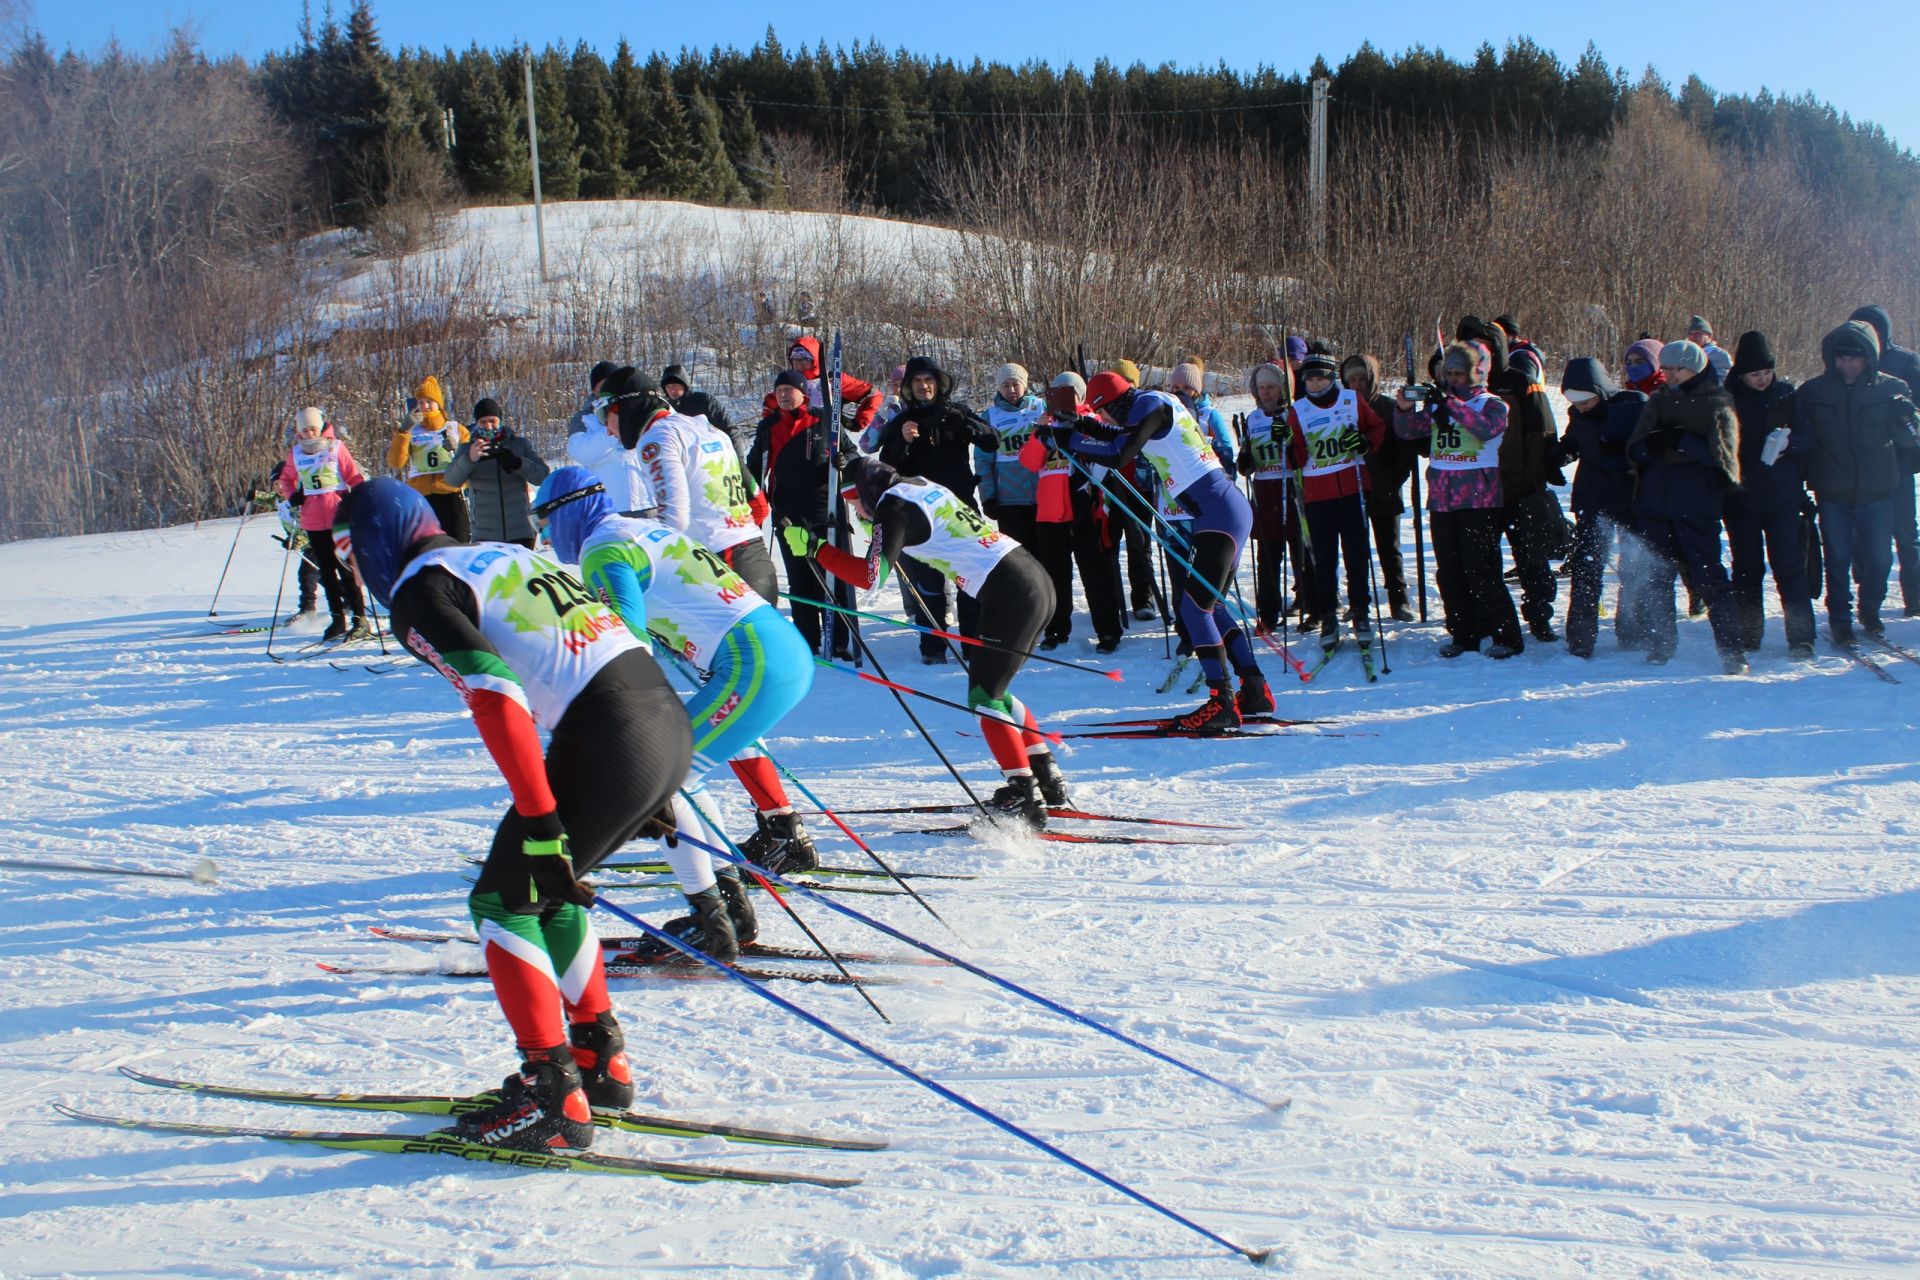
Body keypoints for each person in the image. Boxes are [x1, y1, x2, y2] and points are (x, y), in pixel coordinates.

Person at [340, 477, 691, 1153]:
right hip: (657, 720)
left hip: (612, 733)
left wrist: (539, 821)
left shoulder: (422, 587)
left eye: (354, 553)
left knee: (502, 900)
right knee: (546, 894)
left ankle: (552, 1095)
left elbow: (495, 689)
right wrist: (654, 780)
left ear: (375, 544)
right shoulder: (499, 554)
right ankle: (598, 1058)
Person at [535, 466, 821, 879]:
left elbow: (626, 642)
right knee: (731, 740)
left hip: (752, 660)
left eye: (544, 523)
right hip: (772, 646)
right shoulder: (638, 529)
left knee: (667, 776)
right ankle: (782, 832)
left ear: (568, 513)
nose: (545, 537)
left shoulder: (603, 550)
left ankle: (723, 899)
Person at [785, 455, 1072, 825]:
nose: (855, 512)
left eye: (854, 501)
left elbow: (870, 578)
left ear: (867, 491)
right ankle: (1042, 771)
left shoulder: (894, 507)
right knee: (994, 691)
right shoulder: (916, 483)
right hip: (1028, 577)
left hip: (1011, 592)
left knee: (984, 698)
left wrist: (817, 549)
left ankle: (1022, 792)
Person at [1067, 371, 1272, 730]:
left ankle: (1221, 701)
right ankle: (1254, 688)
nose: (1107, 420)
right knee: (1212, 608)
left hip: (1218, 513)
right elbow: (1119, 436)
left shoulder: (1149, 405)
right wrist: (1080, 426)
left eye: (1105, 413)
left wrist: (1071, 439)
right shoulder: (1150, 405)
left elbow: (1119, 452)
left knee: (1193, 610)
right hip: (1222, 511)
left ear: (1114, 404)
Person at [1774, 319, 1920, 643]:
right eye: (1840, 358)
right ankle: (1840, 618)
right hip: (1833, 489)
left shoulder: (1892, 389)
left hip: (1879, 489)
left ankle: (1870, 611)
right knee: (1837, 559)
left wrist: (1907, 416)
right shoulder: (1813, 392)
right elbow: (1799, 435)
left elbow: (1913, 439)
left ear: (1869, 357)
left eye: (1854, 358)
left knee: (1880, 559)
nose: (1847, 365)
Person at [1394, 343, 1524, 658]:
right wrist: (1403, 408)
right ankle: (1464, 632)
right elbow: (1409, 431)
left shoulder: (1492, 405)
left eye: (1460, 374)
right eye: (1449, 374)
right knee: (1449, 570)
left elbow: (1483, 430)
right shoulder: (1441, 406)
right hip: (1442, 498)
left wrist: (1448, 404)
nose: (1454, 380)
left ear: (1477, 373)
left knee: (1482, 569)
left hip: (1479, 499)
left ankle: (1505, 634)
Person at [1625, 341, 1745, 672]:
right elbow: (1634, 452)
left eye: (1678, 369)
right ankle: (1660, 645)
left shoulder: (1717, 403)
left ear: (1695, 368)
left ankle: (1732, 651)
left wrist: (1683, 442)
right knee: (1656, 580)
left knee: (1711, 579)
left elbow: (1725, 462)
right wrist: (1650, 445)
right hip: (1653, 505)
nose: (1671, 374)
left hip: (1695, 508)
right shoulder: (1658, 400)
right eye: (1667, 369)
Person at [874, 355, 998, 661]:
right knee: (928, 586)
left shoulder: (956, 413)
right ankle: (932, 647)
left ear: (938, 383)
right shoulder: (900, 422)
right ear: (908, 387)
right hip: (921, 516)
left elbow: (992, 441)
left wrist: (968, 424)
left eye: (928, 380)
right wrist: (902, 442)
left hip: (960, 510)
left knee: (970, 579)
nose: (923, 386)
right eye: (917, 381)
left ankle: (973, 645)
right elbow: (885, 467)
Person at [1718, 332, 1816, 659]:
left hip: (1783, 496)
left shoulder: (1787, 395)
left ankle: (1801, 637)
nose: (1762, 379)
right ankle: (1749, 632)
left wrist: (1791, 444)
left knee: (1789, 567)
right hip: (1741, 499)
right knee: (1746, 567)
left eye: (1766, 372)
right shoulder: (1726, 399)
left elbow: (1809, 438)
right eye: (1754, 374)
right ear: (1741, 374)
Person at [635, 382, 778, 606]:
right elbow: (759, 504)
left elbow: (674, 519)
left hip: (726, 567)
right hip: (755, 560)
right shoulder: (721, 444)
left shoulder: (670, 442)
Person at [748, 369, 856, 658]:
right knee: (800, 581)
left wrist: (845, 460)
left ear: (803, 393)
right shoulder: (768, 427)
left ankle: (841, 640)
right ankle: (807, 641)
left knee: (835, 577)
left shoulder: (824, 420)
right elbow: (753, 468)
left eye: (789, 390)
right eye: (779, 390)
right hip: (788, 516)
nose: (784, 395)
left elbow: (853, 455)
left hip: (827, 513)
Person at [1287, 343, 1388, 649]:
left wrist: (1364, 442)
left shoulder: (1351, 400)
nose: (1315, 384)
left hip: (1352, 487)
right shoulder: (1299, 410)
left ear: (1332, 377)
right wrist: (1287, 443)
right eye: (1309, 379)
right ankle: (1328, 612)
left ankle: (1360, 609)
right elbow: (1297, 458)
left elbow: (1377, 428)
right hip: (1319, 493)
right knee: (1325, 557)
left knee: (1357, 553)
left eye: (1320, 378)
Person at [1020, 371, 1124, 651]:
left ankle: (1108, 630)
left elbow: (1106, 455)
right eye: (1056, 393)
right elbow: (1029, 463)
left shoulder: (1090, 420)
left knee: (1095, 571)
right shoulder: (1046, 423)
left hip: (1084, 507)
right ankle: (1056, 629)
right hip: (1050, 510)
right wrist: (1039, 435)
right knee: (1055, 574)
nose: (1063, 399)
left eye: (1069, 393)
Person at [1557, 358, 1649, 657]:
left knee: (1634, 568)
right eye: (1573, 400)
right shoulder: (1578, 416)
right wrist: (1557, 456)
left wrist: (1623, 454)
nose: (1580, 405)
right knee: (1587, 569)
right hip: (1592, 501)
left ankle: (1632, 629)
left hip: (1629, 501)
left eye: (1585, 399)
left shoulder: (1632, 406)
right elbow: (1572, 443)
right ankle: (1580, 638)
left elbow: (1649, 447)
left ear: (1601, 389)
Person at [1847, 305, 1920, 617]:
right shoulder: (1849, 361)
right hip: (1861, 464)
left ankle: (1915, 597)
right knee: (1862, 533)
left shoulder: (1906, 362)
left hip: (1899, 461)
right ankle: (1867, 591)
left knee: (1906, 533)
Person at [276, 407, 369, 640]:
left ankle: (360, 618)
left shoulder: (336, 447)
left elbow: (353, 476)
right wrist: (292, 495)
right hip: (313, 519)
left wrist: (361, 498)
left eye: (313, 428)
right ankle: (337, 619)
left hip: (339, 515)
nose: (309, 434)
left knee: (346, 569)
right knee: (326, 572)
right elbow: (286, 479)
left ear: (321, 427)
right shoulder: (296, 453)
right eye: (304, 430)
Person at [1342, 352, 1418, 621]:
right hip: (1352, 488)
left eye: (1362, 378)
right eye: (1352, 379)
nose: (1357, 384)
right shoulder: (1342, 409)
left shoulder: (1387, 408)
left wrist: (1394, 480)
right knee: (1355, 549)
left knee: (1389, 548)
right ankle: (1357, 602)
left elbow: (1405, 452)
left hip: (1385, 485)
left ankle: (1399, 599)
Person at [1243, 360, 1313, 633]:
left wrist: (1291, 440)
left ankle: (1310, 606)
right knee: (1268, 558)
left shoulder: (1295, 414)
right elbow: (1245, 456)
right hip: (1265, 491)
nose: (1266, 393)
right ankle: (1268, 614)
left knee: (1301, 553)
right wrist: (1245, 461)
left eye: (1271, 387)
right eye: (1261, 388)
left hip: (1291, 488)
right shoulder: (1253, 419)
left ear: (1283, 389)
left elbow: (1303, 455)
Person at [445, 398, 550, 549]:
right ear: (476, 423)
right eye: (483, 422)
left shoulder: (519, 444)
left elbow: (542, 476)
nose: (488, 426)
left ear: (500, 420)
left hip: (521, 530)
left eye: (492, 420)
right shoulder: (467, 448)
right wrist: (469, 459)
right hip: (484, 533)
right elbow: (451, 480)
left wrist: (518, 463)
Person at [386, 377, 471, 542]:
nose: (424, 407)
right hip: (422, 495)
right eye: (421, 402)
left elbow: (471, 463)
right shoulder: (411, 431)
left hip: (451, 493)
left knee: (458, 541)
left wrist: (457, 449)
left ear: (438, 404)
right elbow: (396, 462)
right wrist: (403, 431)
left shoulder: (454, 428)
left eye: (429, 402)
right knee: (427, 544)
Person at [975, 362, 1046, 553]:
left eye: (1015, 384)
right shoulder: (990, 417)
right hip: (1009, 501)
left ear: (1024, 384)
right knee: (1021, 559)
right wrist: (988, 497)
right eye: (1005, 385)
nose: (1011, 390)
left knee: (1048, 557)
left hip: (1044, 498)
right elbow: (983, 461)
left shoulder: (1041, 408)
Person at [567, 367, 655, 519]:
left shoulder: (638, 410)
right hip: (612, 505)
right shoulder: (584, 417)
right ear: (594, 390)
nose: (608, 388)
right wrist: (615, 431)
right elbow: (580, 452)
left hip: (648, 501)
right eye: (603, 385)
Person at [1167, 360, 1238, 479]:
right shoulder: (1167, 411)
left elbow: (1226, 447)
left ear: (1196, 390)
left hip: (1205, 474)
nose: (1180, 392)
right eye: (1176, 387)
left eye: (1186, 388)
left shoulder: (1209, 414)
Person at [659, 363, 745, 461]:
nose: (672, 390)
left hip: (715, 459)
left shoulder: (704, 401)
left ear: (684, 384)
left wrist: (739, 462)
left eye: (675, 385)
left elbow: (730, 430)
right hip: (686, 466)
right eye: (668, 387)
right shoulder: (667, 410)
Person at [1686, 316, 1732, 382]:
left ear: (1709, 336)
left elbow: (1722, 382)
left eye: (1697, 333)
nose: (1693, 336)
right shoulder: (1685, 354)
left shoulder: (1720, 355)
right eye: (1690, 334)